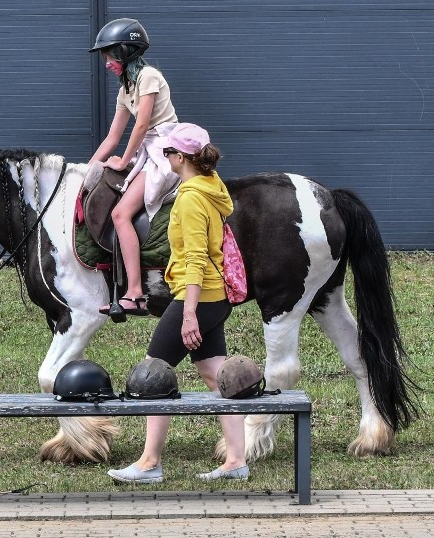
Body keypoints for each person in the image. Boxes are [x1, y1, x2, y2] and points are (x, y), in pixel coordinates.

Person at [107, 123, 248, 484]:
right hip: (215, 298)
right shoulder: (211, 186)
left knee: (153, 374)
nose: (165, 156)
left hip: (197, 298)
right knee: (215, 373)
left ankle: (149, 463)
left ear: (181, 158)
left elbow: (197, 259)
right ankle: (236, 460)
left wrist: (188, 315)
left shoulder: (190, 198)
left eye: (168, 152)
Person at [89, 18, 180, 316]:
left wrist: (125, 160)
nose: (106, 64)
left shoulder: (149, 77)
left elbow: (142, 125)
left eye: (109, 56)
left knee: (120, 213)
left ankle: (136, 293)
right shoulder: (125, 89)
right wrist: (87, 170)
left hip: (164, 152)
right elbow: (113, 136)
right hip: (146, 151)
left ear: (127, 50)